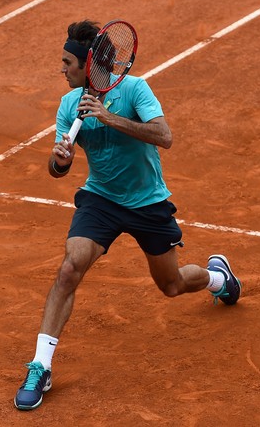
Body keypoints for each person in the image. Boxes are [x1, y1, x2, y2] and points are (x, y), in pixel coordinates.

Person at [13, 20, 241, 411]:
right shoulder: (69, 105)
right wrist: (59, 162)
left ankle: (217, 278)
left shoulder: (134, 89)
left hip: (147, 202)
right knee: (70, 268)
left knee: (170, 285)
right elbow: (58, 169)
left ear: (88, 65)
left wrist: (108, 117)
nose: (62, 69)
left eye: (67, 62)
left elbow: (164, 136)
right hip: (101, 198)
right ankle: (41, 365)